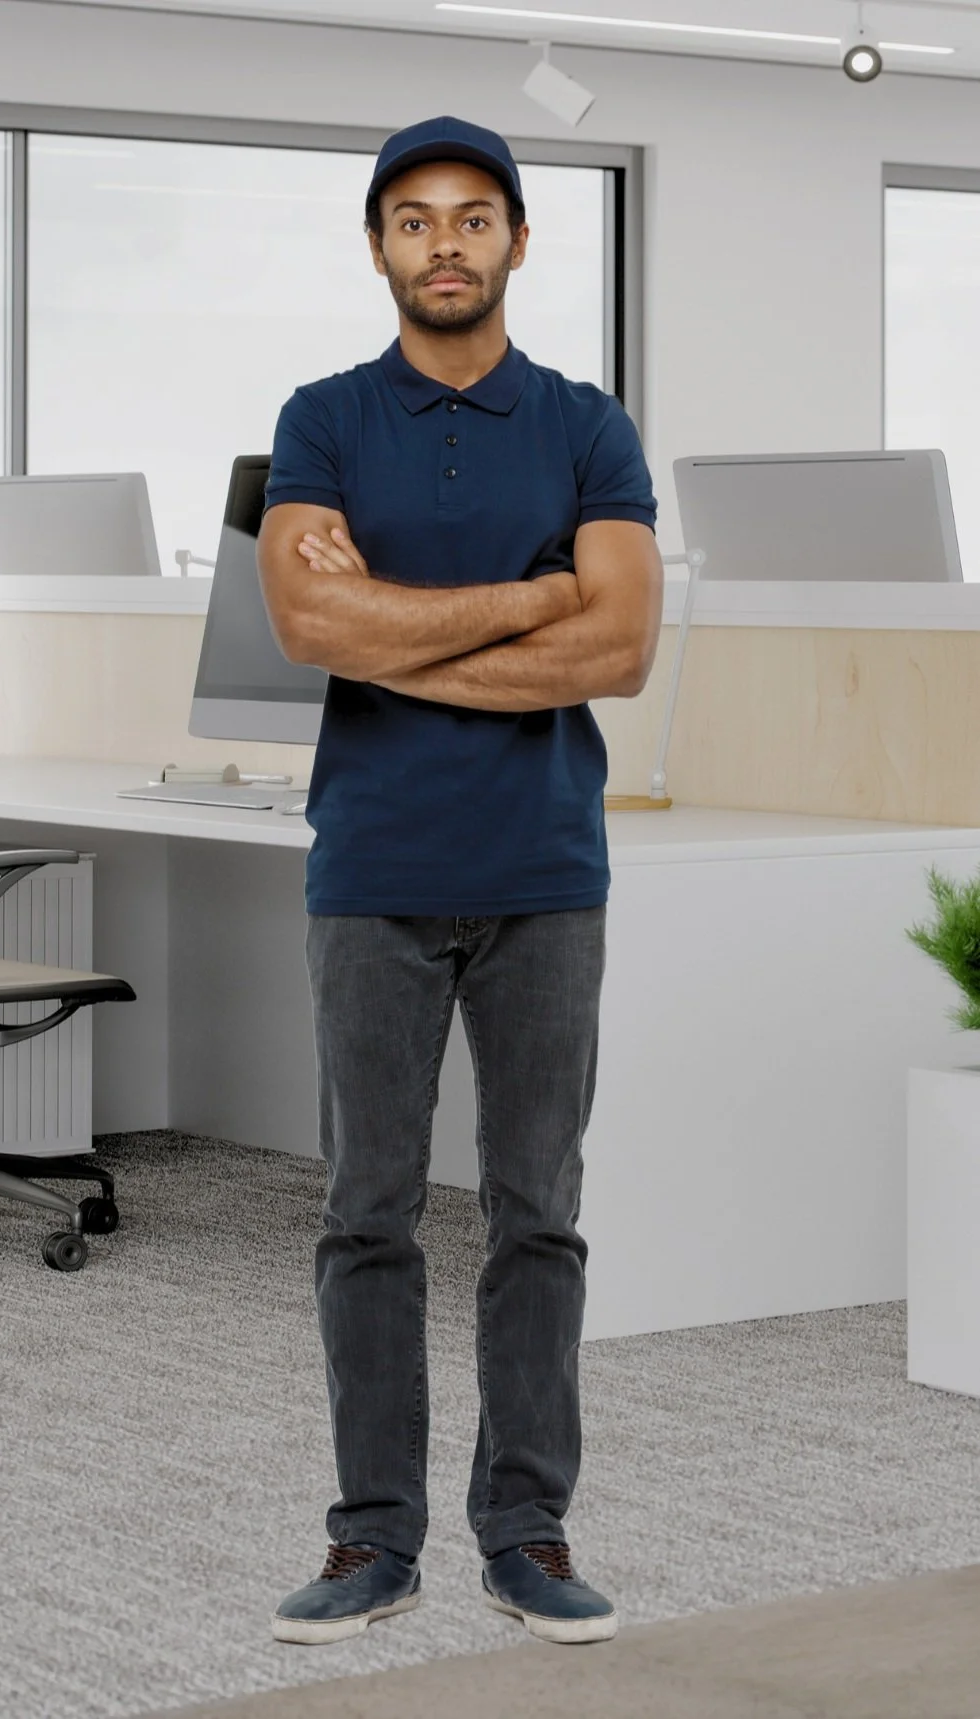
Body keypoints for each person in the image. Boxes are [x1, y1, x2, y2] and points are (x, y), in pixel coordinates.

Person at [257, 115, 663, 1649]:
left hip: (544, 872)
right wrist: (536, 596)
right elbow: (311, 629)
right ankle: (374, 1537)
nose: (446, 242)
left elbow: (621, 646)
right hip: (370, 870)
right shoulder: (320, 418)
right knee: (366, 1210)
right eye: (416, 218)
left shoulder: (585, 424)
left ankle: (526, 1529)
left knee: (536, 1210)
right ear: (380, 246)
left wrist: (399, 624)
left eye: (474, 217)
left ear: (517, 242)